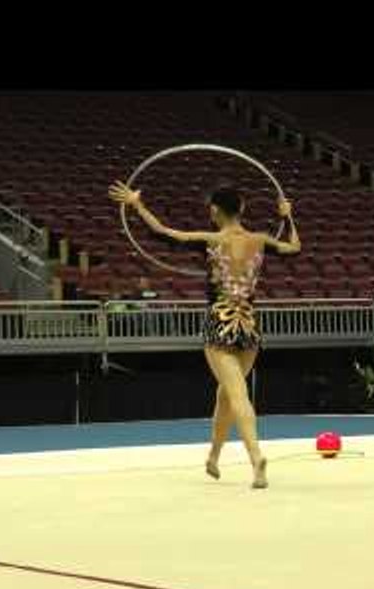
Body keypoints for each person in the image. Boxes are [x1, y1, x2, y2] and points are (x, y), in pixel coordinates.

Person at [108, 180, 300, 489]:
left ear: (214, 211)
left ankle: (256, 458)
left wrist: (136, 204)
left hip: (220, 323)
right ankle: (213, 457)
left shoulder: (211, 240)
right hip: (248, 325)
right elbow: (294, 248)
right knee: (227, 393)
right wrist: (287, 216)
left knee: (237, 394)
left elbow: (163, 233)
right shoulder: (260, 240)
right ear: (242, 209)